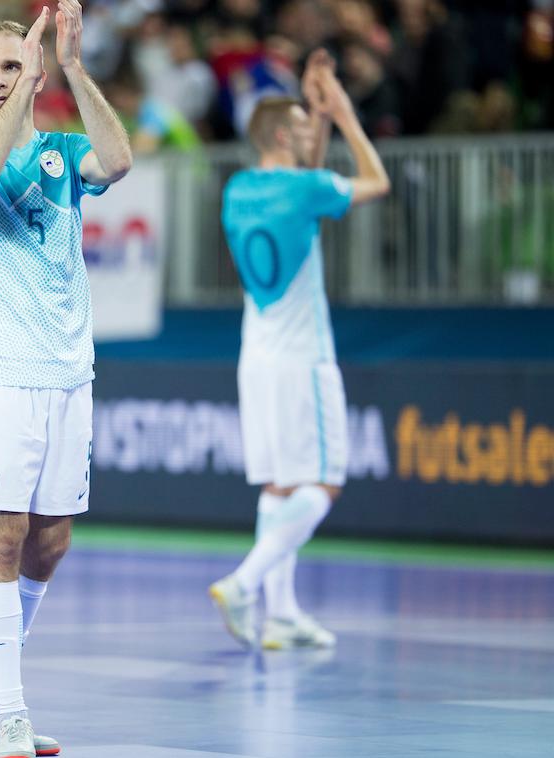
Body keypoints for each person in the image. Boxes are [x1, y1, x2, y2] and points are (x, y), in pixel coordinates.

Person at [0, 3, 131, 756]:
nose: (0, 79)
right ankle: (7, 714)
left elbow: (117, 163)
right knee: (2, 536)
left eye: (15, 66)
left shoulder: (63, 154)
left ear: (34, 74)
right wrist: (17, 106)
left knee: (51, 543)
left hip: (68, 375)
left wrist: (75, 68)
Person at [208, 52, 390, 650]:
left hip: (254, 360)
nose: (317, 136)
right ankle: (246, 582)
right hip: (304, 359)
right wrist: (344, 113)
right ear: (285, 134)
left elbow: (308, 186)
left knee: (280, 487)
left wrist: (320, 116)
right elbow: (375, 182)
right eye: (307, 128)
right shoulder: (307, 188)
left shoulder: (240, 189)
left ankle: (280, 615)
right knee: (323, 483)